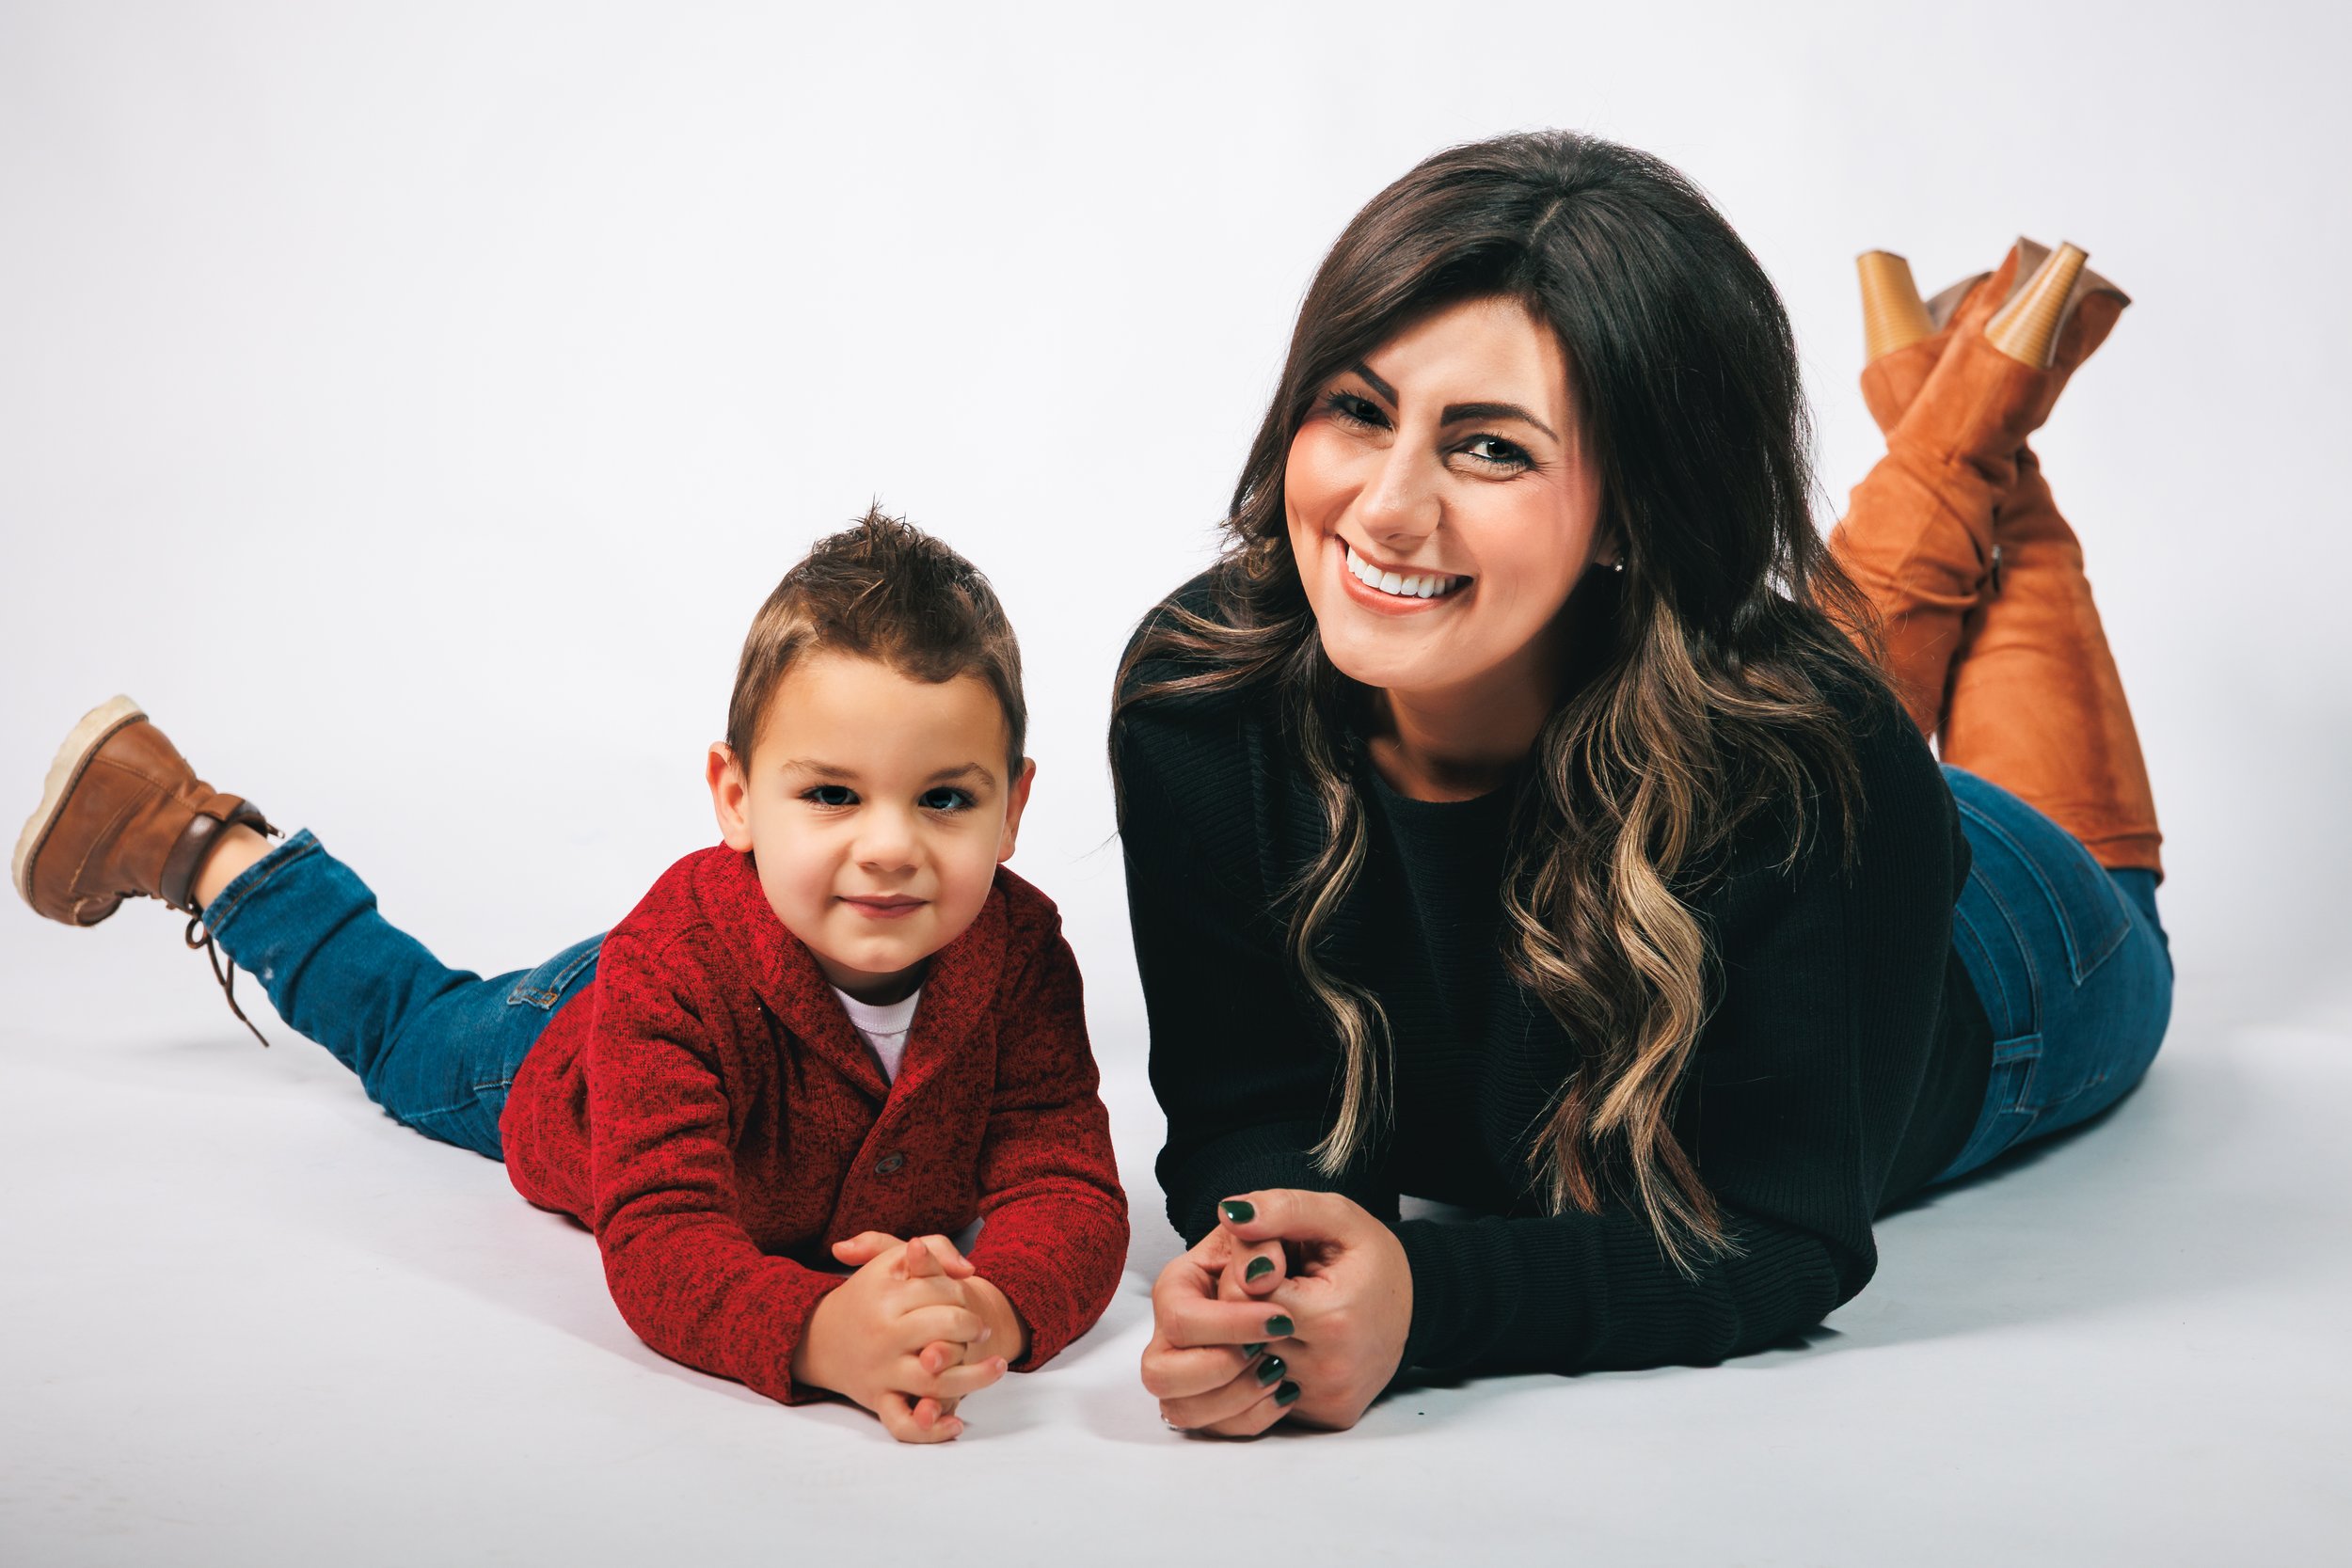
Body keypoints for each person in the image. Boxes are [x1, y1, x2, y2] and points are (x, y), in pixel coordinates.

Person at [1113, 131, 2170, 1436]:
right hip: (1763, 735)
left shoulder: (1817, 761)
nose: (1385, 508)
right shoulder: (1197, 692)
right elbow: (1251, 1107)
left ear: (1632, 511)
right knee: (1855, 641)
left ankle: (1979, 433)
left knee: (2057, 811)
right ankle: (1961, 411)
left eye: (1489, 448)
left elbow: (1785, 1233)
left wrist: (1426, 1301)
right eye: (1358, 408)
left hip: (2018, 957)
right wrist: (1272, 1277)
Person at [13, 508, 1129, 1444]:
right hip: (568, 1038)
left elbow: (1065, 1179)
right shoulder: (672, 975)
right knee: (411, 1026)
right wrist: (818, 1330)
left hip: (699, 955)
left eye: (943, 797)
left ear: (1013, 807)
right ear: (735, 796)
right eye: (831, 794)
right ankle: (207, 845)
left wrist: (997, 1304)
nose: (889, 846)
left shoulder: (1020, 956)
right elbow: (662, 1235)